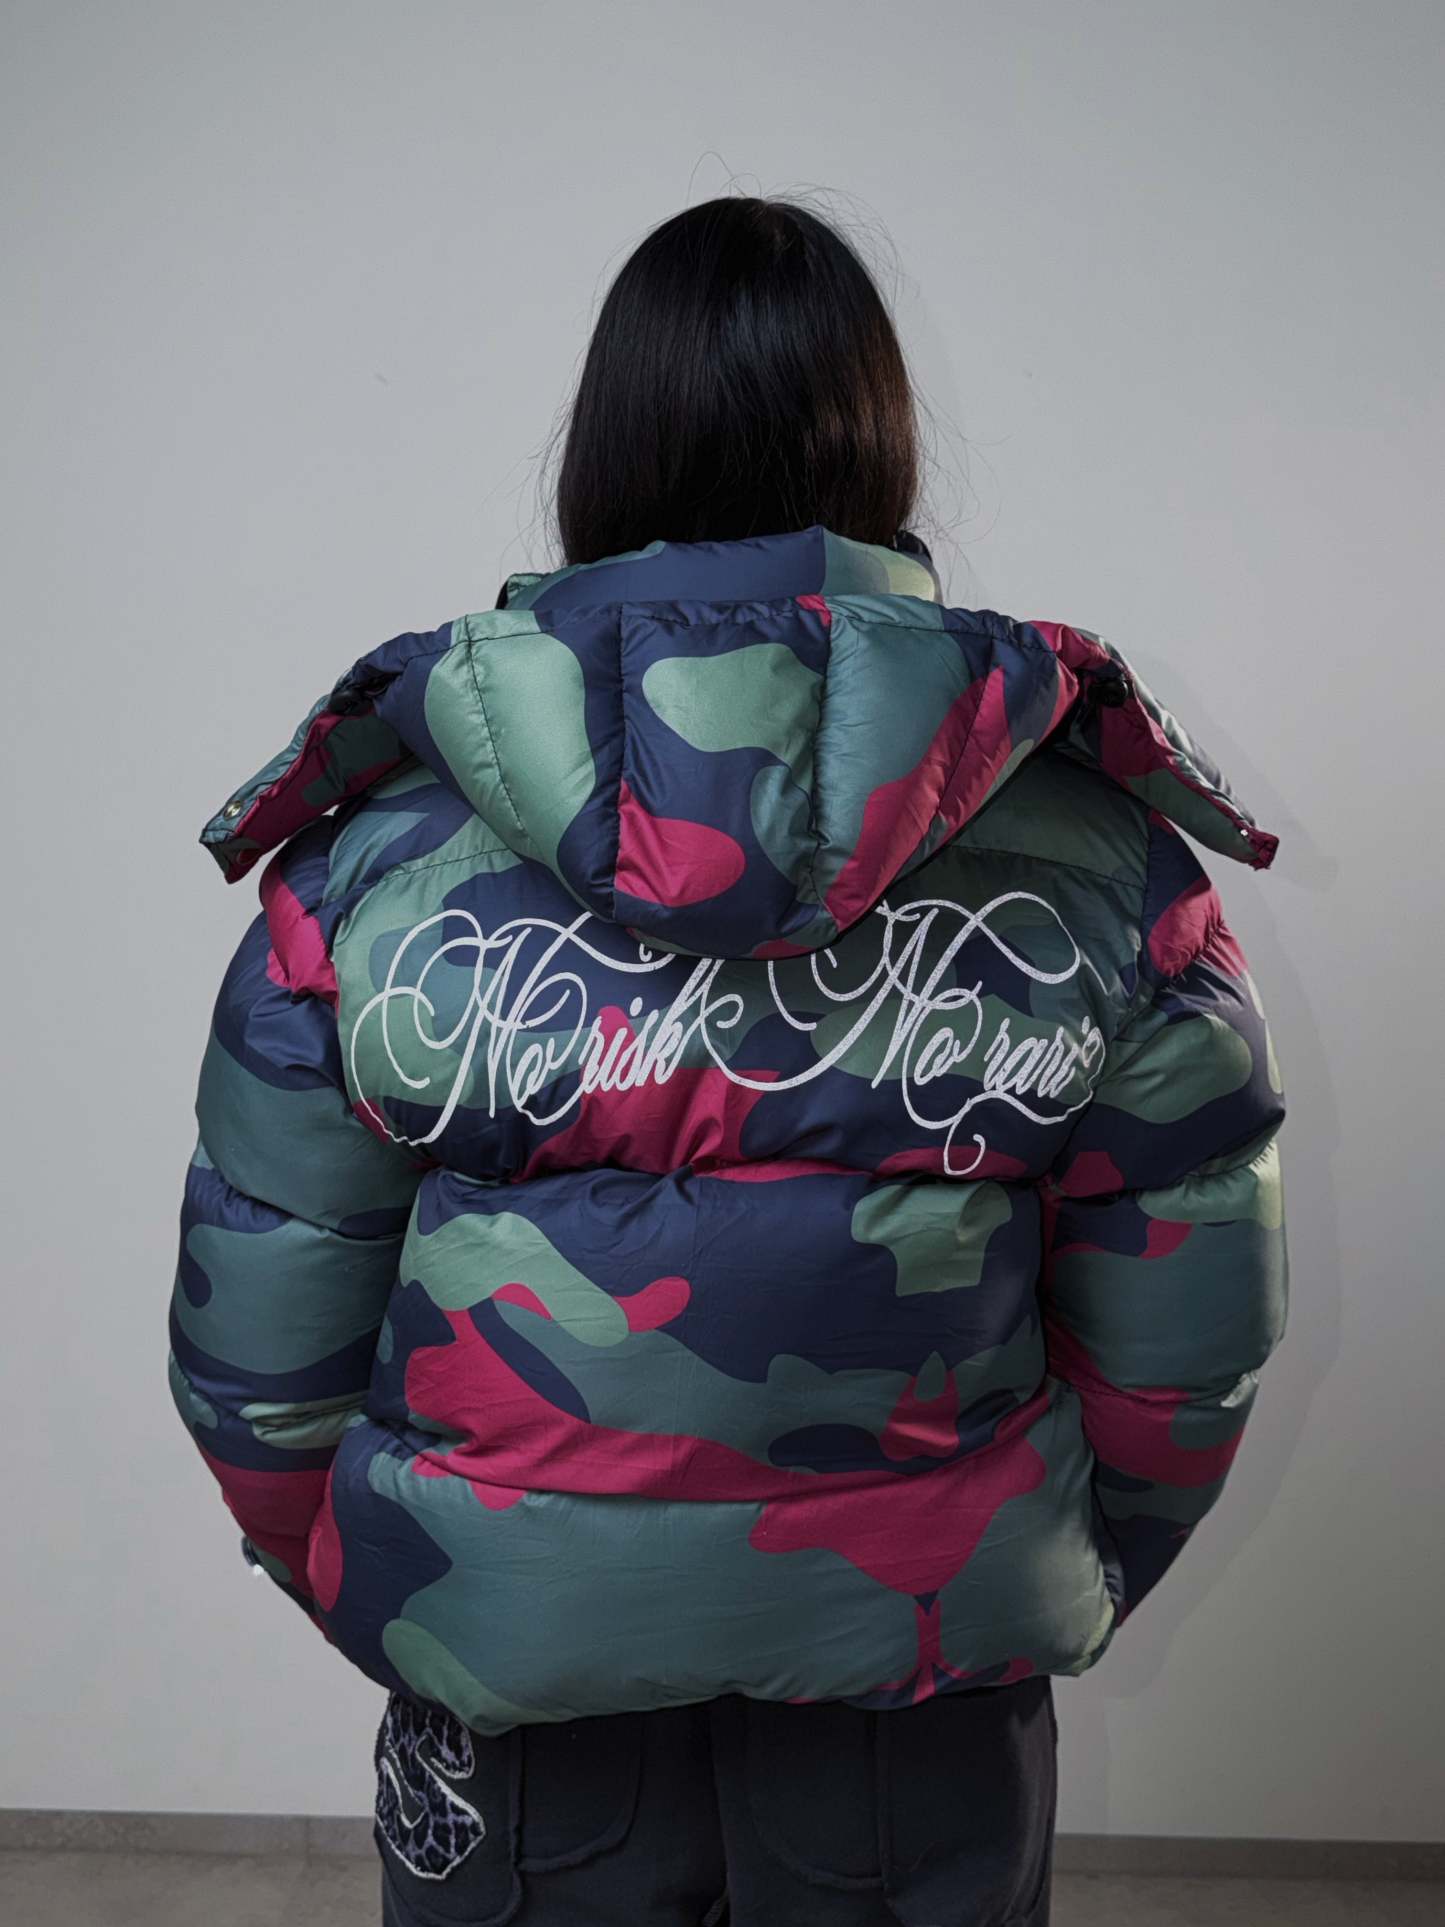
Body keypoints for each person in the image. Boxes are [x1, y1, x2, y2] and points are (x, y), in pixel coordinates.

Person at [168, 195, 1290, 1927]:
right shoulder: (1099, 862)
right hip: (919, 1678)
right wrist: (1009, 1558)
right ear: (880, 444)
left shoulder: (377, 863)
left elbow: (263, 1335)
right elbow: (1182, 1346)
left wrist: (423, 1582)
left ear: (599, 453)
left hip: (511, 1671)